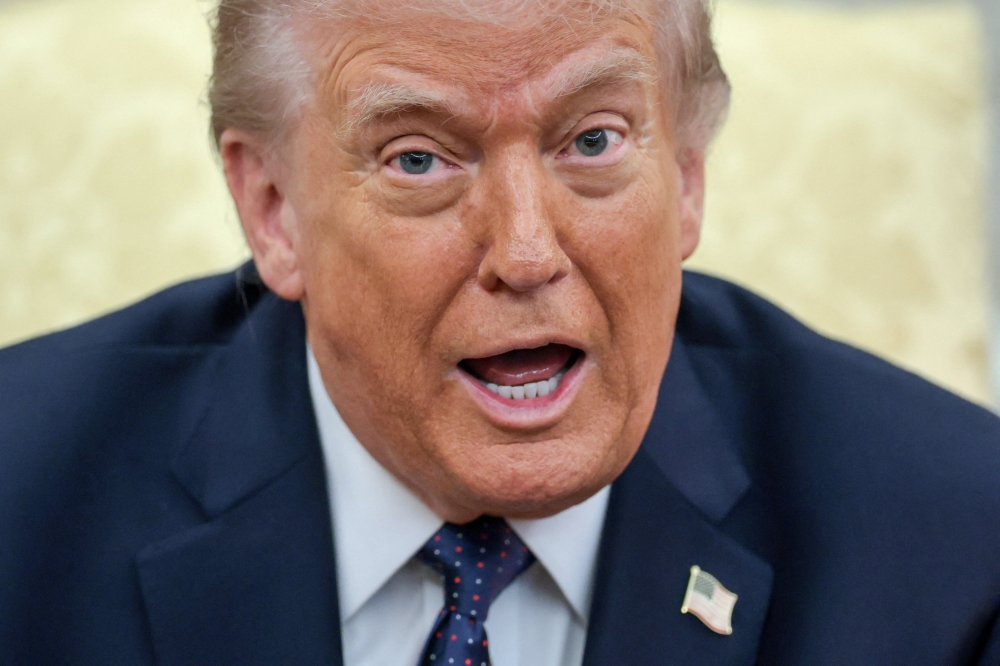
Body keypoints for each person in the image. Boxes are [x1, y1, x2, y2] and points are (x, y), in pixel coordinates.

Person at [1, 0, 999, 663]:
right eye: (420, 160)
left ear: (687, 177)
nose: (525, 253)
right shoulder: (22, 502)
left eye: (594, 141)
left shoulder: (958, 549)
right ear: (272, 209)